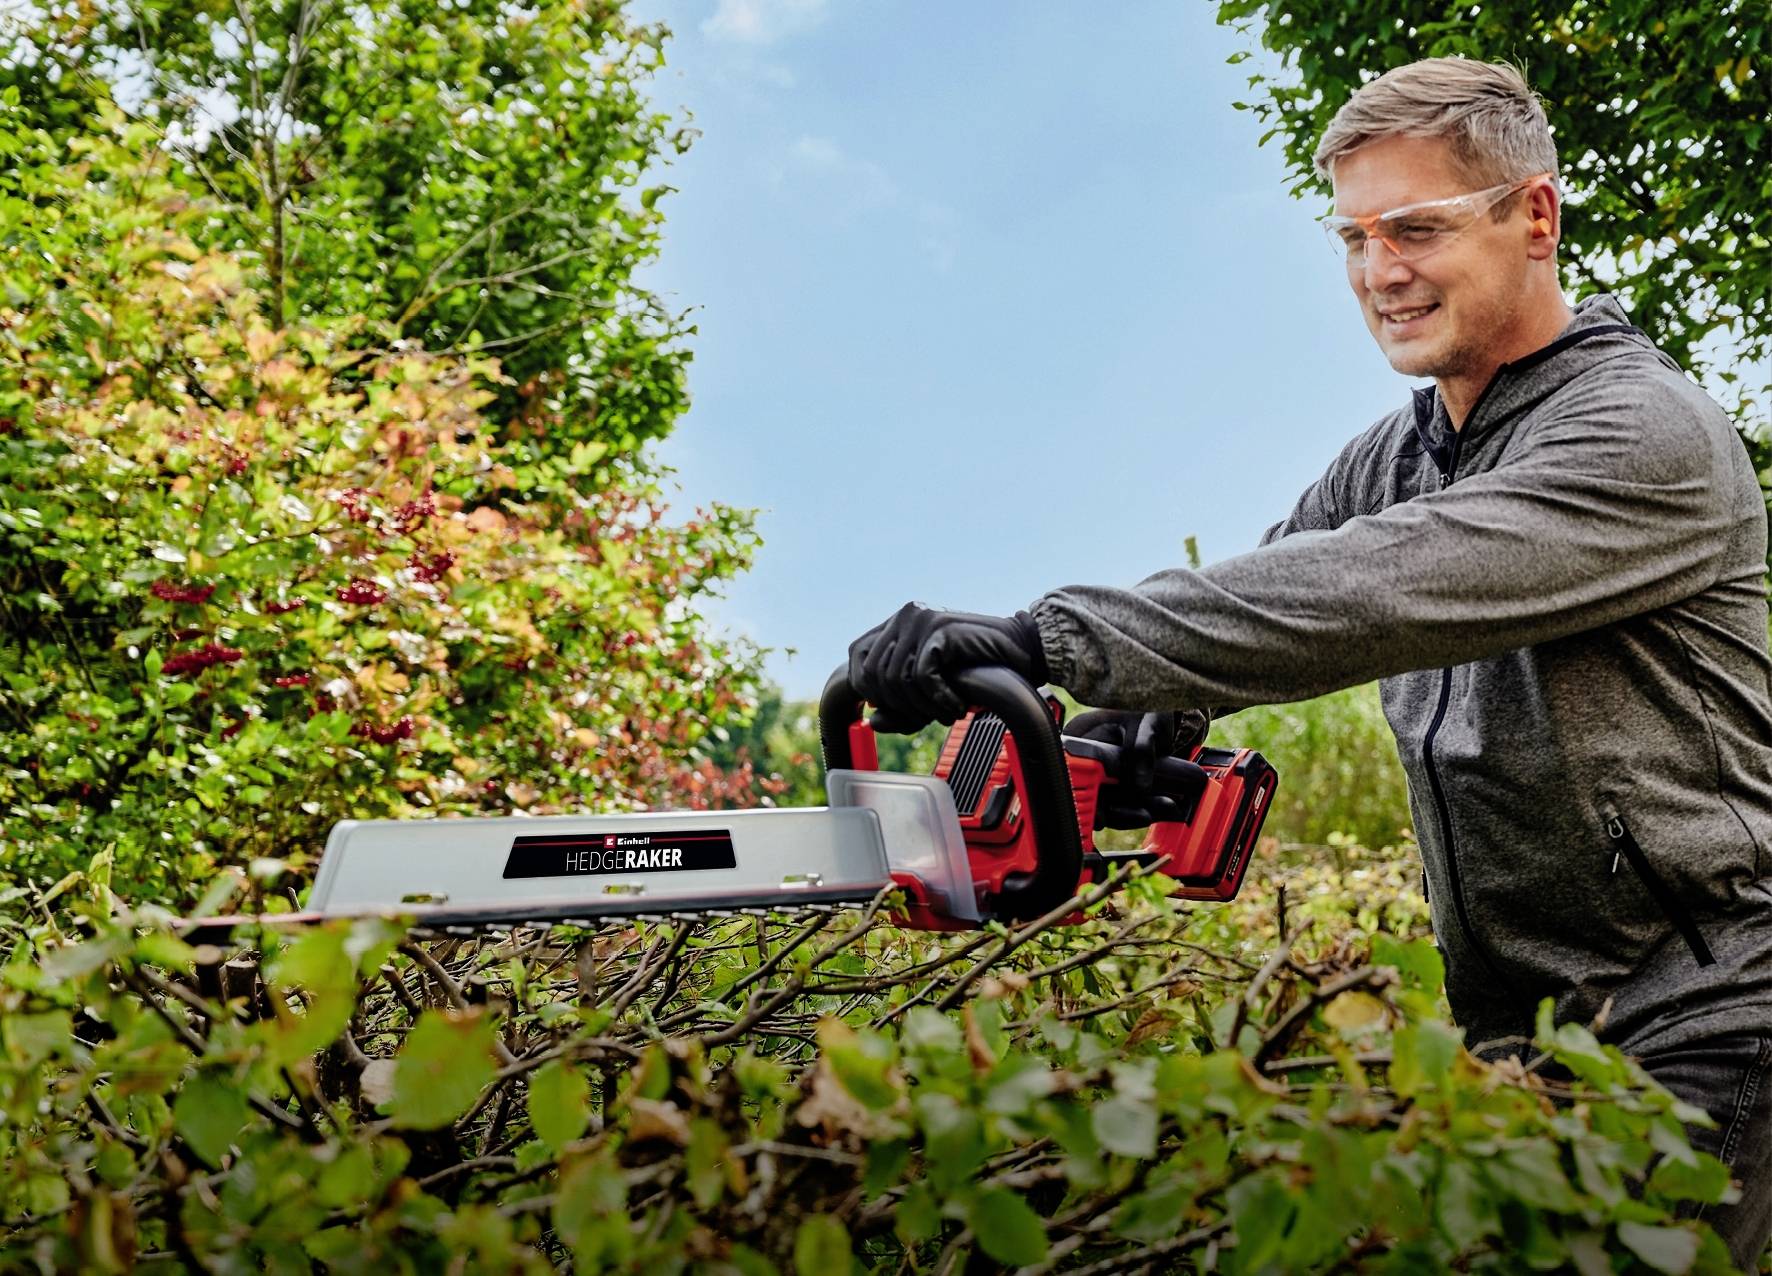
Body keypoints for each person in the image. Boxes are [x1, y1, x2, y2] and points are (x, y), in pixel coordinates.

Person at [846, 57, 1772, 1268]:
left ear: (1532, 217)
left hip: (1705, 1004)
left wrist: (1042, 636)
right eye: (1352, 237)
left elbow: (1366, 591)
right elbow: (1265, 591)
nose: (1379, 272)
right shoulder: (1393, 452)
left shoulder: (1640, 435)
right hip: (1519, 1030)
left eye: (1417, 229)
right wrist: (1123, 720)